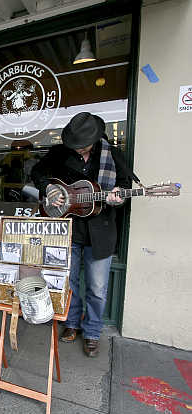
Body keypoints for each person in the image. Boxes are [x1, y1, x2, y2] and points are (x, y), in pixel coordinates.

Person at [31, 112, 130, 358]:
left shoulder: (112, 155)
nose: (76, 149)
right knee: (70, 283)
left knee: (97, 288)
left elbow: (126, 184)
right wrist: (50, 188)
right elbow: (37, 173)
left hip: (101, 232)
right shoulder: (59, 153)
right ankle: (72, 323)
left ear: (94, 139)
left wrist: (117, 195)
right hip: (69, 228)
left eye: (81, 145)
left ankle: (93, 332)